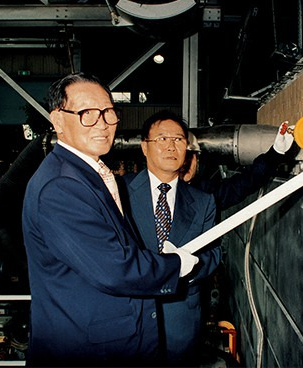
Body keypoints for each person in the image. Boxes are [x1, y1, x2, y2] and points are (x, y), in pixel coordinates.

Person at [22, 73, 199, 367]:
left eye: (108, 112)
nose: (102, 124)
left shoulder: (88, 173)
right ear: (58, 120)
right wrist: (176, 265)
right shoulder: (61, 187)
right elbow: (116, 269)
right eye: (87, 114)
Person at [119, 110, 221, 366]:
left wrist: (188, 268)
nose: (171, 146)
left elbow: (214, 254)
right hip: (129, 319)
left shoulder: (203, 201)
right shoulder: (119, 192)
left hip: (180, 323)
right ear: (144, 147)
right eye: (162, 139)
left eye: (178, 140)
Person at [182, 121, 296, 210]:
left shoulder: (201, 192)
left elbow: (242, 184)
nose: (187, 162)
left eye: (192, 155)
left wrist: (276, 152)